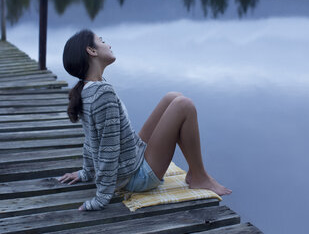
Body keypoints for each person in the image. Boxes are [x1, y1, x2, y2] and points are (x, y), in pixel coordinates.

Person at [58, 29, 232, 211]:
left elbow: (91, 138)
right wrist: (101, 198)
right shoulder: (102, 93)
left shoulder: (88, 89)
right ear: (92, 51)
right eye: (102, 41)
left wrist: (86, 172)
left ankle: (197, 172)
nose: (108, 45)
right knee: (184, 105)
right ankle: (198, 175)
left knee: (172, 97)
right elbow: (108, 147)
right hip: (135, 177)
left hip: (129, 160)